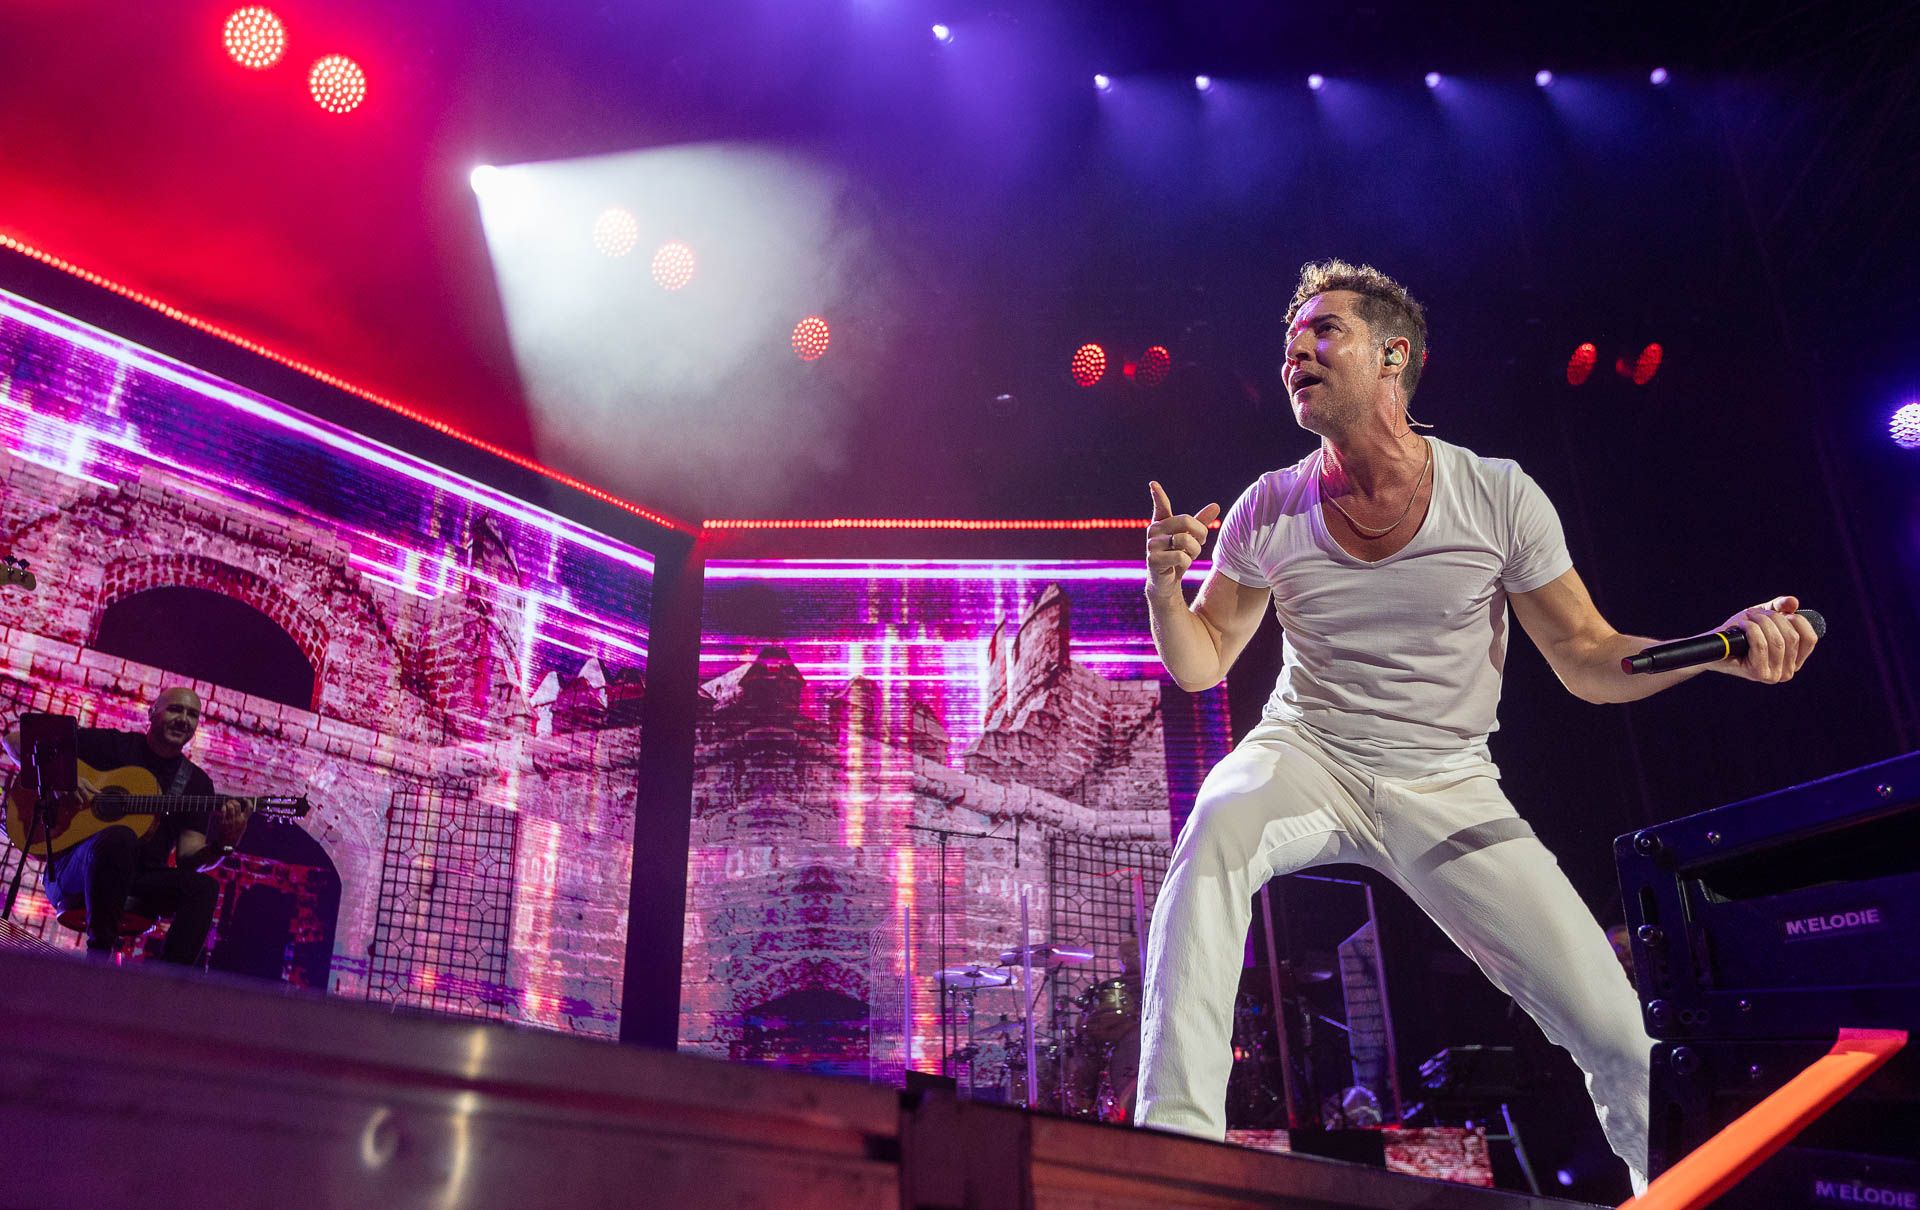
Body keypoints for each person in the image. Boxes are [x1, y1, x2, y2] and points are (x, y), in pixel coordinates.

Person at [1136, 259, 1819, 1190]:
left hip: (1446, 781)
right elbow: (1202, 660)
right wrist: (1164, 591)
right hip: (1306, 753)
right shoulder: (1268, 505)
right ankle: (1168, 1162)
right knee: (1213, 835)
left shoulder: (1496, 496)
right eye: (1290, 336)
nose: (1296, 348)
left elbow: (1587, 658)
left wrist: (1719, 646)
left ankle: (1684, 1190)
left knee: (1620, 1034)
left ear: (1393, 356)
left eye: (1323, 330)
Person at [5, 686, 246, 963]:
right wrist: (61, 781)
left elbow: (189, 858)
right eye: (175, 709)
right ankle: (99, 960)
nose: (183, 719)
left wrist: (222, 845)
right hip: (74, 870)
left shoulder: (196, 783)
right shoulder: (112, 746)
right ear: (152, 713)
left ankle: (169, 982)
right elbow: (15, 740)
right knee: (120, 837)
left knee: (204, 888)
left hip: (141, 878)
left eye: (192, 714)